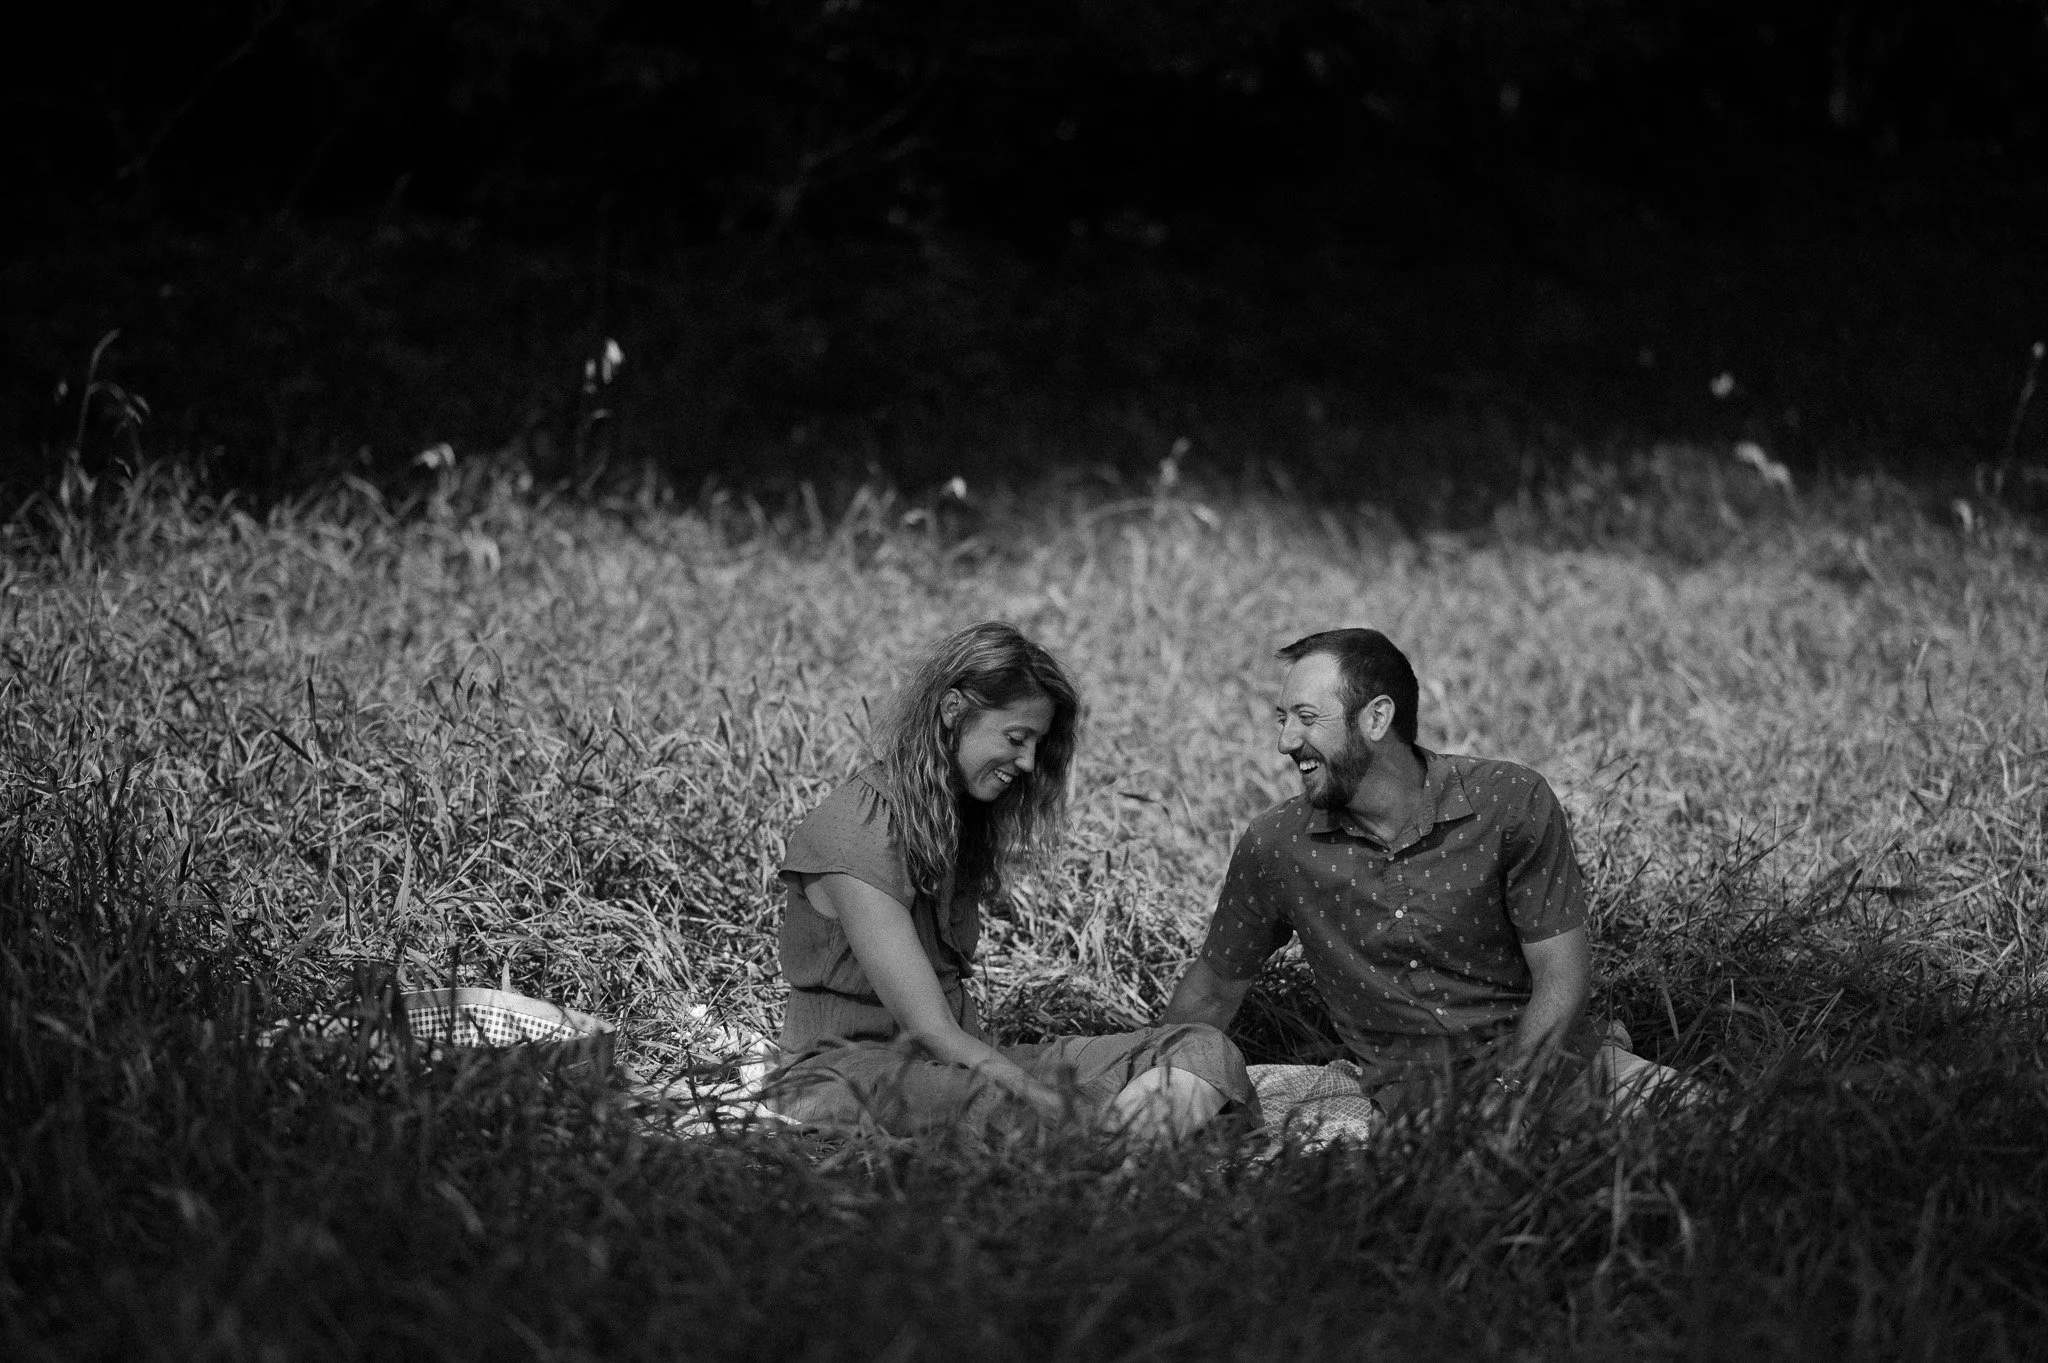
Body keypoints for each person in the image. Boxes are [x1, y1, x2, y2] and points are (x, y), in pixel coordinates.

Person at [1161, 628, 1688, 1143]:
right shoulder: (1277, 844)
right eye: (1282, 719)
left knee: (1718, 1134)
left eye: (1306, 718)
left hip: (1559, 1068)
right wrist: (1141, 1084)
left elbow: (1562, 976)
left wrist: (1507, 1095)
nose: (1285, 742)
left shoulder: (1508, 802)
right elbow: (1212, 991)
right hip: (1403, 1104)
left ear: (1376, 718)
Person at [765, 621, 1256, 1143]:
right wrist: (1041, 1095)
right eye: (1016, 738)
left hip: (957, 1061)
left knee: (1201, 1047)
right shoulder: (857, 829)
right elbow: (929, 1029)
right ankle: (1126, 1151)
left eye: (1036, 745)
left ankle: (1115, 1145)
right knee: (1014, 1110)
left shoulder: (949, 819)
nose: (1026, 763)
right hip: (847, 1074)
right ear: (953, 710)